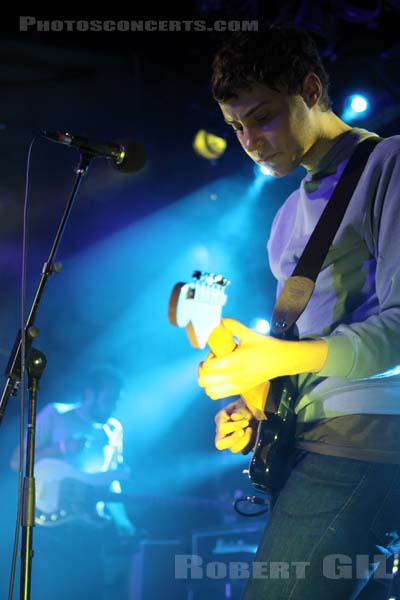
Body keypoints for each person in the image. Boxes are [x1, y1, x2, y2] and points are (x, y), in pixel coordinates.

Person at [198, 25, 400, 599]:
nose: (251, 141)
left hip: (370, 438)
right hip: (316, 439)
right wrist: (256, 402)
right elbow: (305, 349)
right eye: (236, 126)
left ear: (311, 89)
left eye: (262, 116)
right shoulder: (286, 214)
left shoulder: (390, 163)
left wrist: (277, 356)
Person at [10, 364, 136, 600]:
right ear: (89, 394)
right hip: (50, 529)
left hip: (89, 530)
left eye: (116, 400)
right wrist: (61, 448)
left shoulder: (114, 429)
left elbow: (109, 481)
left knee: (90, 591)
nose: (113, 406)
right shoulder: (56, 414)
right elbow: (17, 461)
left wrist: (122, 519)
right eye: (109, 399)